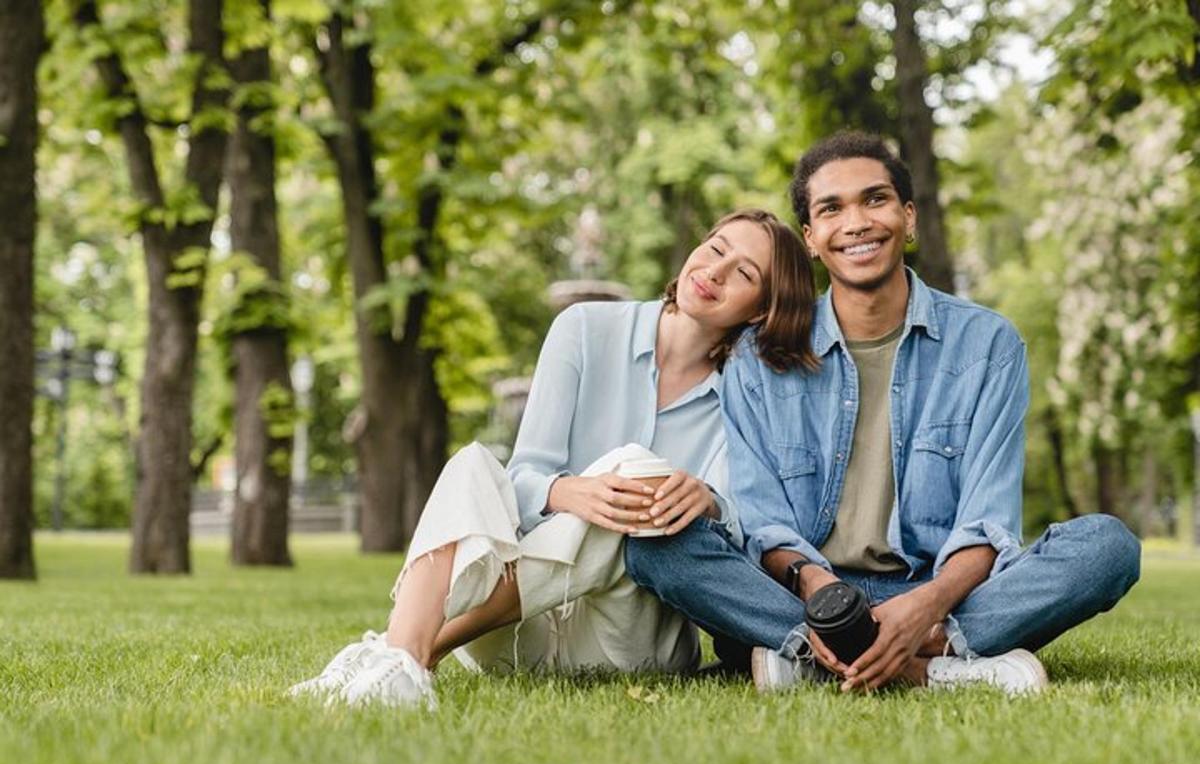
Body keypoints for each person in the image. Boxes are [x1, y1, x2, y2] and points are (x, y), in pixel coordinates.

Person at [624, 131, 1141, 695]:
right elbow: (763, 521)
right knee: (655, 543)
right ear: (812, 239)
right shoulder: (758, 358)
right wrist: (824, 599)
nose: (856, 222)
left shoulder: (988, 345)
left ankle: (818, 659)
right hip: (805, 593)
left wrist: (925, 608)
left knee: (1106, 548)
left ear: (908, 217)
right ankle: (933, 670)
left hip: (940, 593)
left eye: (875, 199)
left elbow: (987, 521)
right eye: (831, 209)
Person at [289, 208, 817, 707]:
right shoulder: (584, 327)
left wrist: (710, 502)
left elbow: (741, 536)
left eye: (743, 272)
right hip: (518, 637)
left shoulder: (745, 396)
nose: (714, 271)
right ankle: (400, 661)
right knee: (472, 462)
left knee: (635, 476)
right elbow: (522, 477)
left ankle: (402, 655)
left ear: (763, 309)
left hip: (626, 644)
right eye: (715, 247)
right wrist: (570, 492)